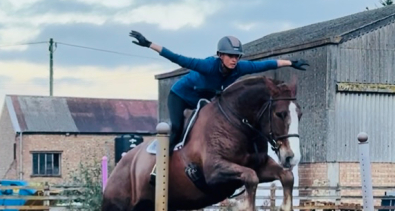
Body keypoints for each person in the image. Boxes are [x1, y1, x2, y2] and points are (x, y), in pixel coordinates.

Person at [129, 30, 309, 150]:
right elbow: (178, 58)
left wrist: (291, 62)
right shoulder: (208, 65)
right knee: (176, 128)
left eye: (237, 56)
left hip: (204, 99)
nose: (234, 60)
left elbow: (265, 64)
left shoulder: (240, 68)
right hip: (181, 96)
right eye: (230, 56)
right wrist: (149, 44)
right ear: (220, 55)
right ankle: (160, 166)